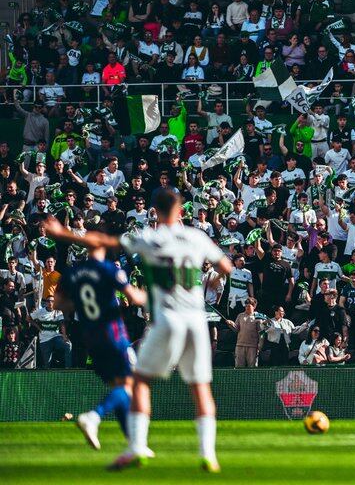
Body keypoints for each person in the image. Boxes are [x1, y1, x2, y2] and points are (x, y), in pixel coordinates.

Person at [43, 188, 233, 472]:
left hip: (165, 318)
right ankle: (208, 454)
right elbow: (226, 267)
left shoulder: (149, 238)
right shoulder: (197, 237)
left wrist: (63, 234)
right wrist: (212, 274)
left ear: (155, 210)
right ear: (180, 210)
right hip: (196, 319)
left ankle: (136, 446)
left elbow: (104, 241)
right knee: (200, 388)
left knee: (140, 381)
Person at [54, 246, 148, 449]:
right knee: (130, 385)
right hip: (113, 335)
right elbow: (134, 298)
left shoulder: (73, 273)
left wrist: (81, 302)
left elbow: (58, 304)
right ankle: (94, 416)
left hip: (91, 338)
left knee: (120, 387)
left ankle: (134, 445)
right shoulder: (107, 269)